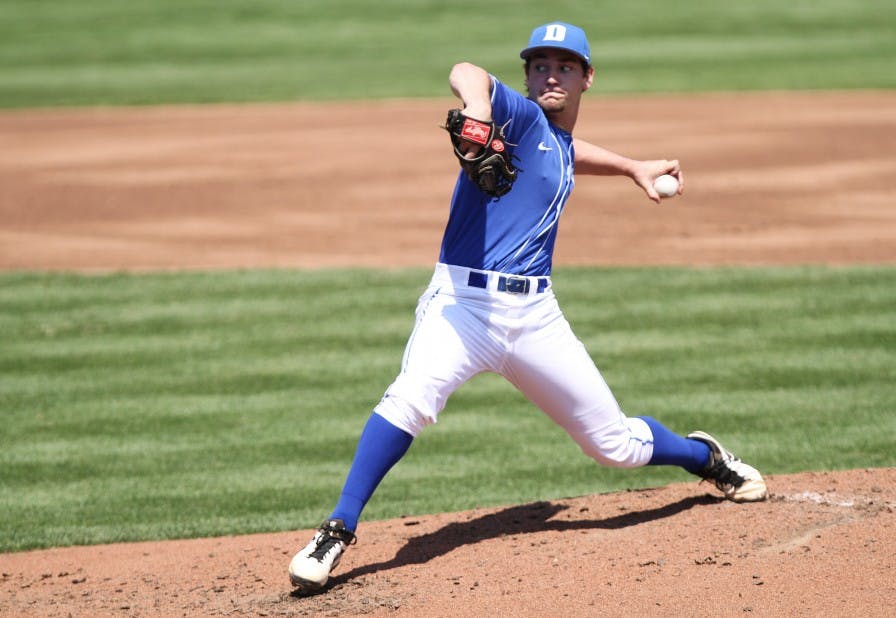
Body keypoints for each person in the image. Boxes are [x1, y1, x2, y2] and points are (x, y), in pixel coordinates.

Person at [288, 21, 767, 591]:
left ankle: (702, 457)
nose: (551, 75)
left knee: (613, 446)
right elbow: (466, 72)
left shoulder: (554, 141)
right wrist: (479, 108)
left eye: (565, 66)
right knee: (412, 397)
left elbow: (565, 152)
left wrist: (633, 166)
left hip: (536, 318)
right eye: (540, 65)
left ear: (588, 77)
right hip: (462, 308)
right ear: (526, 77)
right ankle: (337, 530)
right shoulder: (515, 115)